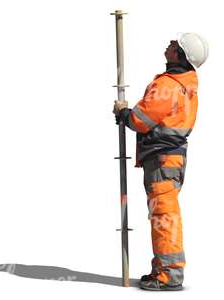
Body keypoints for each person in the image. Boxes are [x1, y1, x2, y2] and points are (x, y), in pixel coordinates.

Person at [113, 33, 209, 291]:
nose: (170, 44)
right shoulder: (186, 84)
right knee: (164, 215)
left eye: (175, 44)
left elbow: (140, 120)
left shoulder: (168, 85)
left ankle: (169, 275)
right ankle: (163, 270)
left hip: (161, 160)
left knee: (163, 217)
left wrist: (124, 113)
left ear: (180, 55)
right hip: (171, 160)